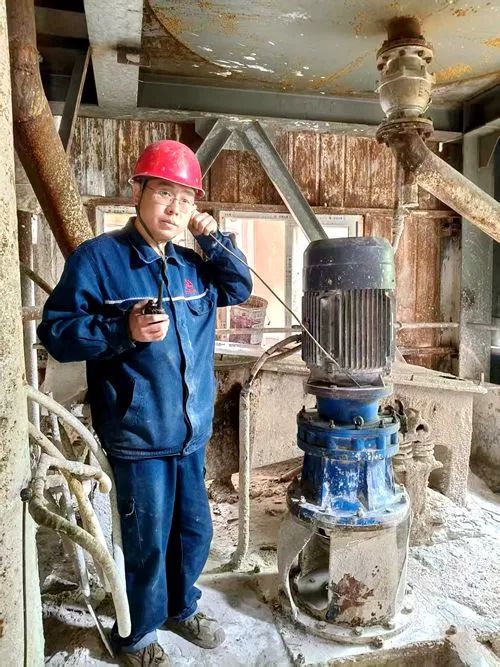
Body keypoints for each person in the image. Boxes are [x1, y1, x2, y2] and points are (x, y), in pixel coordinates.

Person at [38, 140, 253, 665]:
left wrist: (214, 239)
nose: (175, 208)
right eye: (164, 193)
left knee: (193, 531)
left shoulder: (192, 265)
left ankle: (181, 607)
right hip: (137, 434)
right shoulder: (99, 260)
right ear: (137, 192)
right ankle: (136, 636)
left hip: (190, 433)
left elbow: (240, 286)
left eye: (186, 198)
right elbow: (57, 334)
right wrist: (123, 330)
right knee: (146, 541)